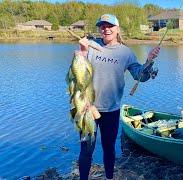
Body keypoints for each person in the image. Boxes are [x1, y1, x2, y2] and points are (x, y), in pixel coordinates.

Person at [76, 14, 160, 180]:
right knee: (86, 150)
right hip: (87, 109)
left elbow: (140, 76)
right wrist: (83, 52)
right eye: (102, 26)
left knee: (109, 148)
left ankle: (109, 178)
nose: (106, 29)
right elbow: (77, 73)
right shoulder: (91, 46)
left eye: (110, 26)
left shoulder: (126, 53)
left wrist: (149, 61)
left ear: (117, 29)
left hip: (111, 110)